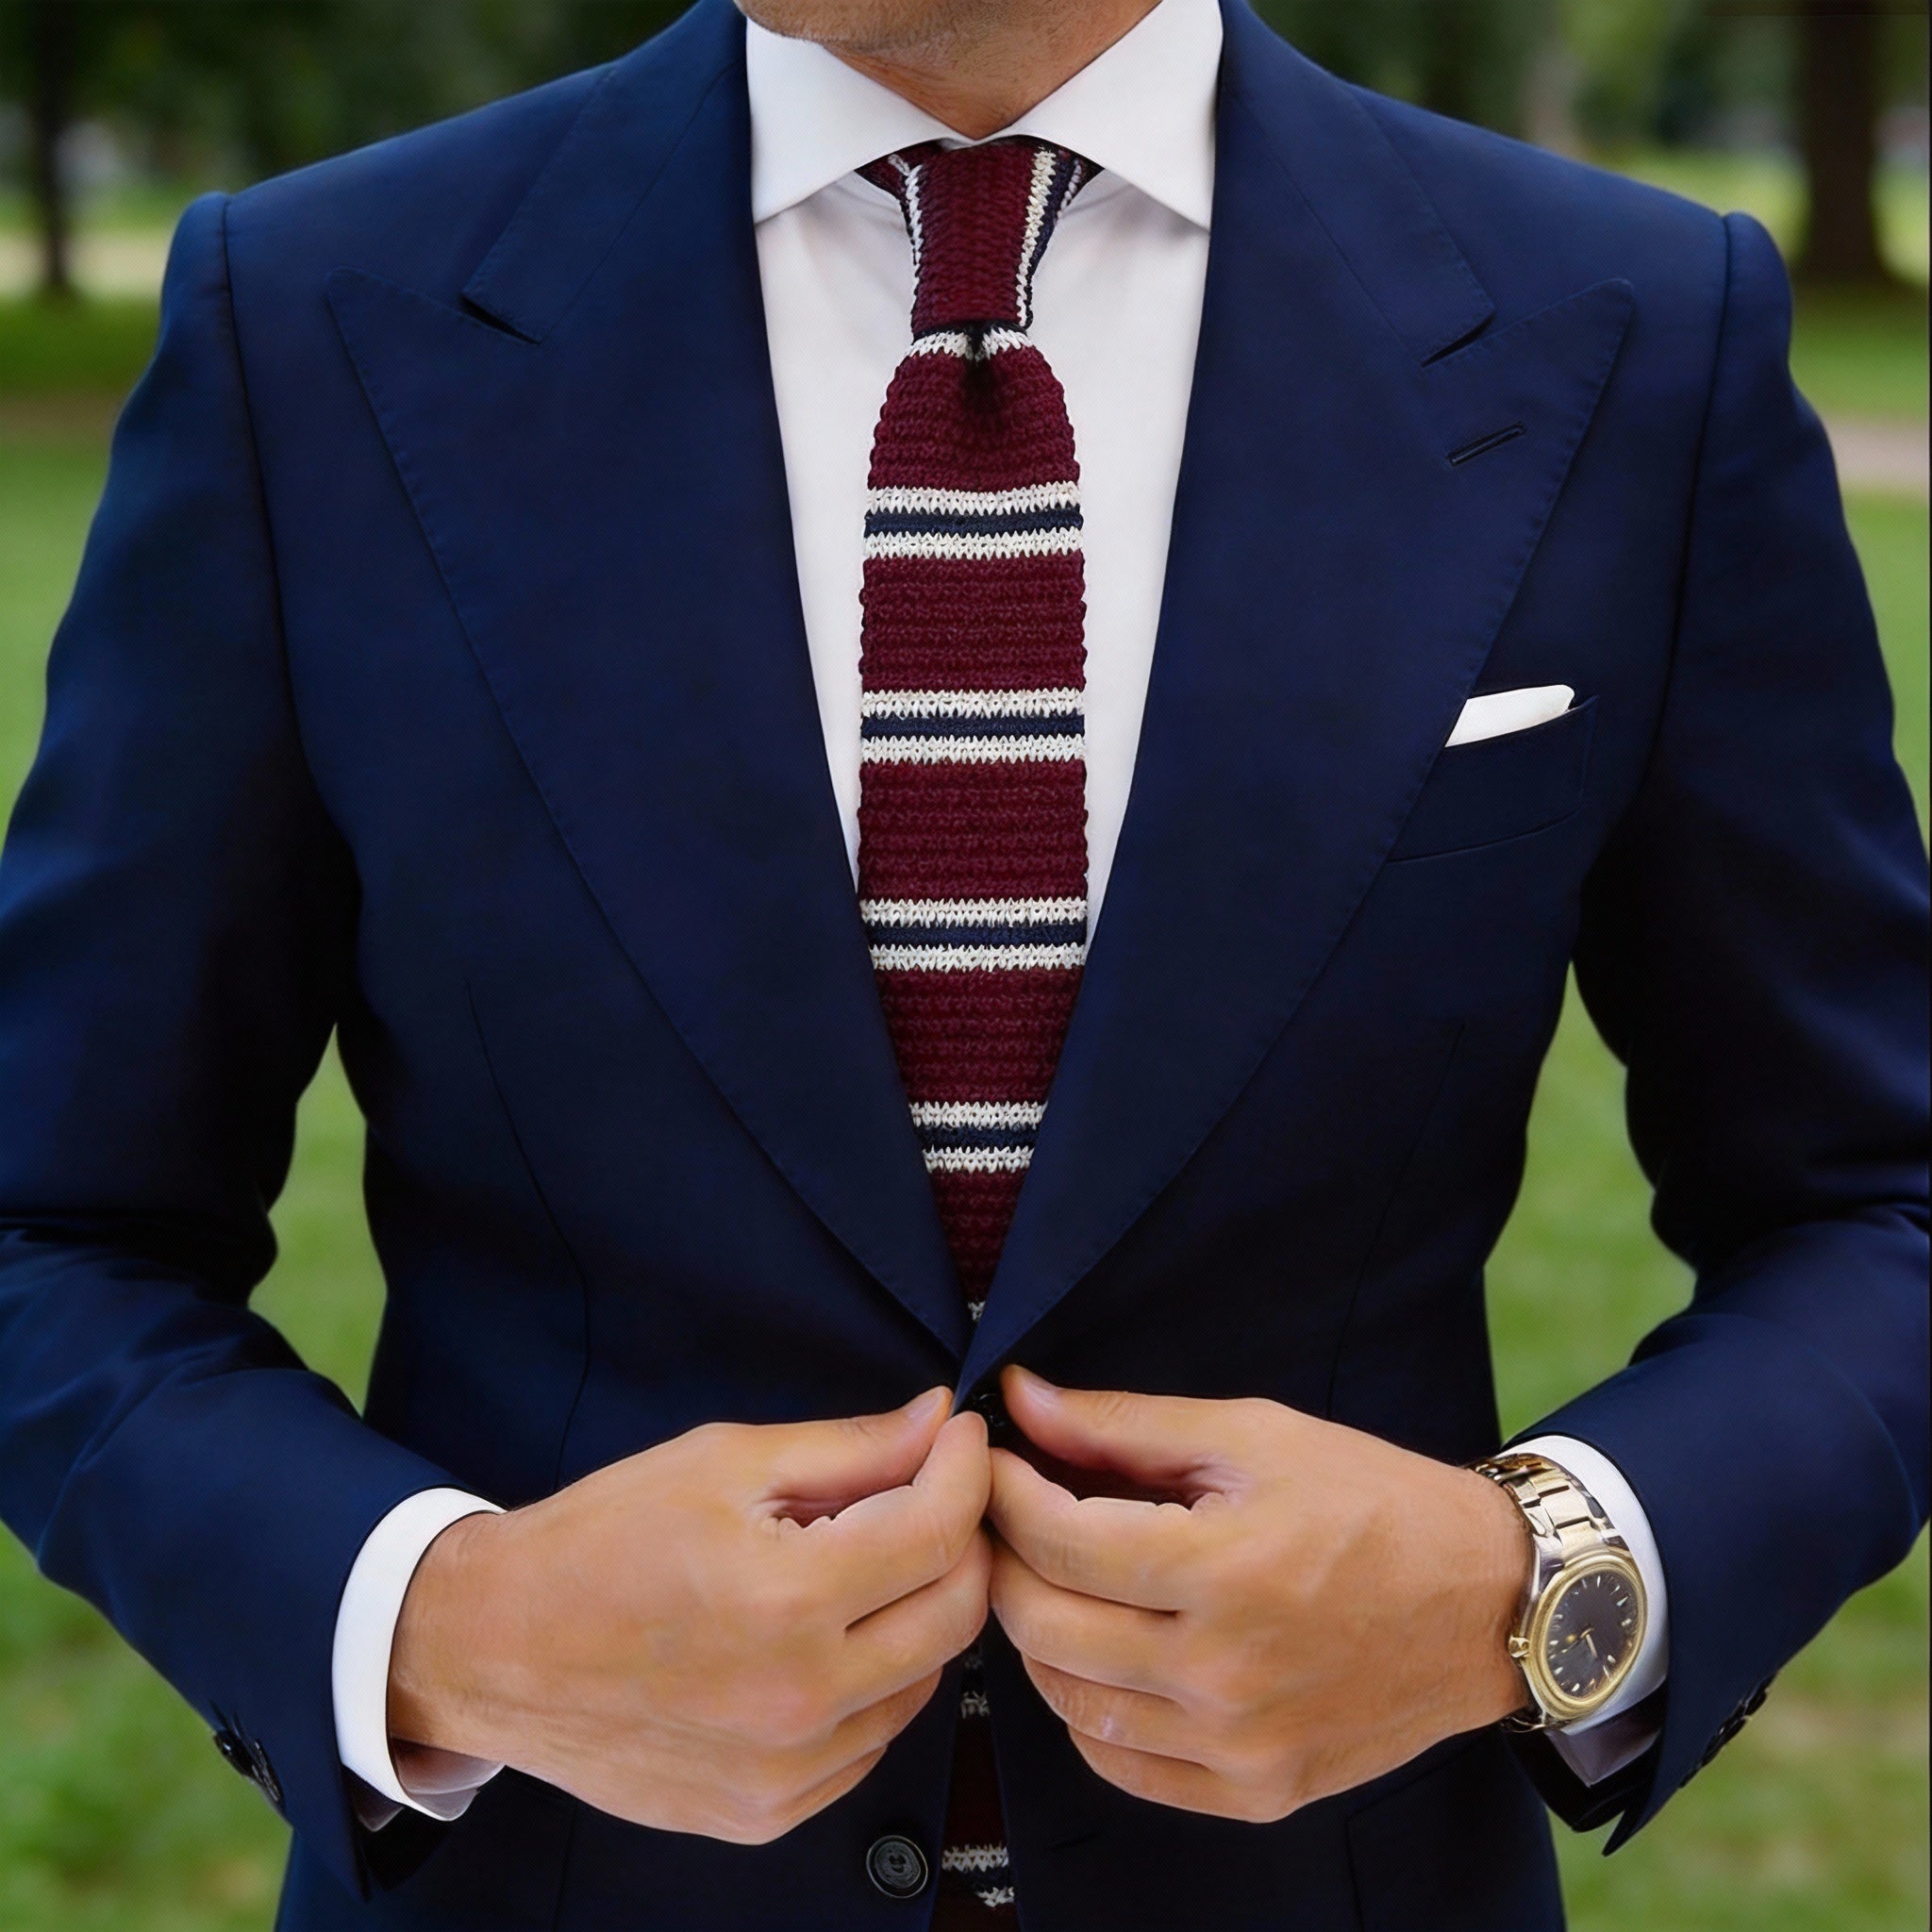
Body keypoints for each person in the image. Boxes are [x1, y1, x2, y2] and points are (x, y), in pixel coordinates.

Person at [0, 0, 1924, 1924]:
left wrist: (1536, 1587)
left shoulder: (1631, 328)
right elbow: (55, 1226)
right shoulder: (315, 316)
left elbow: (1874, 1200)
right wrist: (442, 1622)